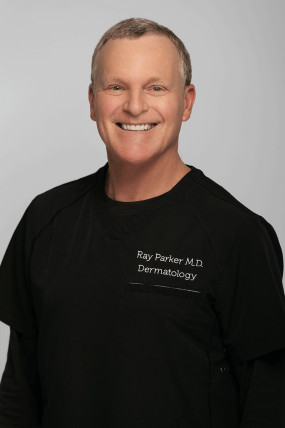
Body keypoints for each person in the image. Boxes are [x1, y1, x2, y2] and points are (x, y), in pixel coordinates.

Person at [0, 17, 285, 428]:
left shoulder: (236, 235)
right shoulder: (45, 219)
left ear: (186, 103)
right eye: (116, 87)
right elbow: (18, 392)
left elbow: (269, 403)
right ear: (93, 100)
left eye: (156, 87)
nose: (135, 106)